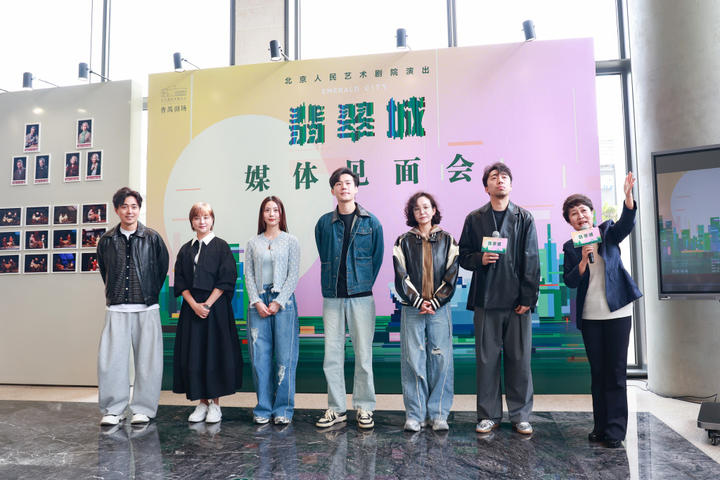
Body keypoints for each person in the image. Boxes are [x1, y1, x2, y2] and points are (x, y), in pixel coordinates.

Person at [562, 172, 642, 449]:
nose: (580, 216)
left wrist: (628, 197)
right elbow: (570, 280)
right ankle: (600, 426)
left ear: (592, 213)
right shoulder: (570, 247)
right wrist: (583, 262)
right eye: (574, 213)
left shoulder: (608, 232)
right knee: (598, 373)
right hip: (591, 317)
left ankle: (616, 430)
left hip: (617, 313)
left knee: (616, 372)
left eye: (584, 210)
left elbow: (626, 223)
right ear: (569, 221)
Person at [459, 162, 540, 435]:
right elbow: (463, 256)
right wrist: (480, 258)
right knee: (487, 361)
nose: (500, 180)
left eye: (504, 176)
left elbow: (532, 258)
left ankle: (520, 415)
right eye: (494, 177)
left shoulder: (524, 218)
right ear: (486, 187)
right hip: (486, 299)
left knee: (520, 360)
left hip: (518, 302)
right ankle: (488, 415)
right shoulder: (474, 218)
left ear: (511, 184)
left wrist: (528, 297)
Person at [314, 167, 384, 429]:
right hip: (332, 297)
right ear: (333, 190)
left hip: (361, 297)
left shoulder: (371, 222)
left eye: (348, 183)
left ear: (356, 189)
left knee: (363, 355)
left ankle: (365, 407)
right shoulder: (324, 223)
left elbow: (376, 259)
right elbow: (324, 253)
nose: (344, 187)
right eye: (338, 184)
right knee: (332, 355)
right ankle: (336, 408)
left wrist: (362, 284)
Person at [96, 187, 169, 426]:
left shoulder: (153, 238)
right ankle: (113, 410)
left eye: (134, 206)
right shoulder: (107, 240)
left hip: (146, 308)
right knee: (111, 362)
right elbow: (105, 271)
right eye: (124, 206)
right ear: (117, 210)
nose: (130, 211)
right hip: (117, 308)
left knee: (148, 362)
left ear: (139, 209)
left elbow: (161, 269)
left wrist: (149, 293)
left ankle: (143, 409)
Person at [393, 192, 459, 432]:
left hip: (439, 309)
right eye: (417, 208)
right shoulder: (403, 241)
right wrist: (419, 301)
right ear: (412, 213)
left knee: (441, 359)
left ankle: (439, 414)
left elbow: (452, 273)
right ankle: (415, 414)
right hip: (412, 309)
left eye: (426, 207)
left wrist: (435, 301)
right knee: (413, 359)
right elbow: (401, 275)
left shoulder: (448, 240)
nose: (422, 212)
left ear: (434, 210)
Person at [172, 202, 243, 423]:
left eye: (206, 217)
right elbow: (180, 281)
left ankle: (215, 405)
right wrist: (194, 305)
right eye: (197, 217)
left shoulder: (222, 247)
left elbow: (227, 279)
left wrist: (207, 305)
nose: (201, 221)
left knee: (214, 354)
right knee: (195, 355)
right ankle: (202, 403)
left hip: (216, 309)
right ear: (191, 222)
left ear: (212, 220)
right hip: (191, 309)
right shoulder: (186, 249)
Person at [245, 196, 301, 425]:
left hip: (284, 303)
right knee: (260, 358)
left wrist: (279, 301)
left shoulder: (291, 241)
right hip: (258, 303)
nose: (271, 214)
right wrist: (256, 300)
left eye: (275, 210)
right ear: (262, 215)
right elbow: (248, 275)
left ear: (281, 214)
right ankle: (263, 408)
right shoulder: (253, 243)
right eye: (267, 210)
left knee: (285, 357)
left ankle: (283, 410)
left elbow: (293, 274)